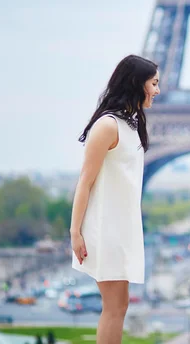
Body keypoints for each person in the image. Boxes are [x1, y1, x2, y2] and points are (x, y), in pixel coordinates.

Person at [70, 54, 160, 344]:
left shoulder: (131, 124)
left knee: (119, 306)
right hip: (104, 228)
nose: (158, 90)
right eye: (154, 83)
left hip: (120, 228)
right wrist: (75, 232)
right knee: (113, 307)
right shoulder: (108, 126)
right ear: (137, 83)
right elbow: (85, 180)